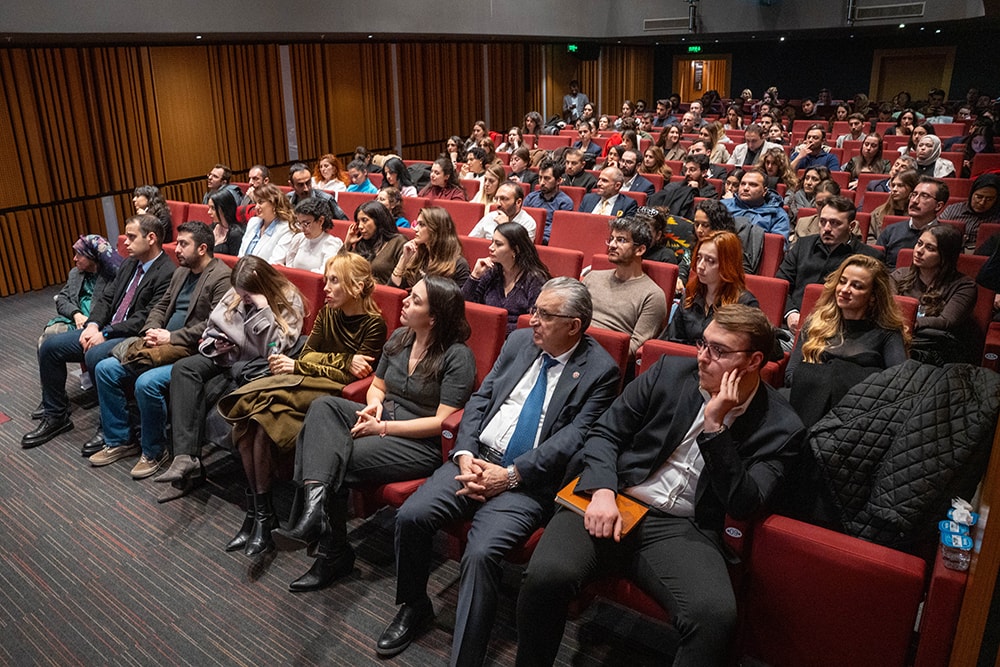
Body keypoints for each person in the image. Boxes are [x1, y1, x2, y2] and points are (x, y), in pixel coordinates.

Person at [515, 304, 805, 667]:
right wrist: (603, 490)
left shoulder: (781, 426)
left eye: (719, 351)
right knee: (545, 577)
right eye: (703, 344)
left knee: (713, 618)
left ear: (753, 360)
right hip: (616, 495)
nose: (702, 357)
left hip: (684, 526)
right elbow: (605, 433)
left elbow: (745, 502)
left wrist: (716, 429)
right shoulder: (669, 372)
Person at [378, 278, 620, 663]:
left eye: (545, 314)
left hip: (525, 482)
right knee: (411, 516)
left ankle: (467, 657)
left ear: (574, 325)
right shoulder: (520, 342)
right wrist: (465, 454)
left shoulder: (600, 371)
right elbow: (481, 400)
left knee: (481, 553)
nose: (532, 319)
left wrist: (509, 476)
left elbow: (574, 439)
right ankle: (414, 605)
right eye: (535, 310)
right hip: (476, 459)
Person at [272, 276, 476, 592]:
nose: (405, 301)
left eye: (416, 300)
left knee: (334, 455)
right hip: (385, 418)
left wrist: (382, 427)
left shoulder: (457, 356)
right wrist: (375, 406)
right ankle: (315, 513)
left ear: (434, 318)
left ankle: (331, 550)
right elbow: (378, 386)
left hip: (419, 442)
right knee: (324, 407)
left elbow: (442, 422)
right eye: (409, 295)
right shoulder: (399, 337)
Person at [218, 253, 388, 556]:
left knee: (256, 417)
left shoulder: (374, 324)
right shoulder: (327, 313)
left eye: (334, 281)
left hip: (333, 398)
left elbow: (353, 376)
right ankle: (261, 515)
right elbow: (308, 356)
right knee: (251, 425)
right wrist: (345, 360)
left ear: (356, 286)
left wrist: (321, 366)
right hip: (306, 385)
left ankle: (262, 517)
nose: (326, 287)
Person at [154, 255, 305, 502]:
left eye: (247, 296)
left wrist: (262, 309)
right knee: (184, 369)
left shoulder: (289, 299)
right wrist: (216, 344)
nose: (241, 299)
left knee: (202, 396)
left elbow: (275, 349)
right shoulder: (235, 294)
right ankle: (185, 457)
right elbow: (210, 330)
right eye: (241, 295)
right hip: (226, 357)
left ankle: (195, 465)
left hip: (254, 366)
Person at [87, 222, 231, 475]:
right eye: (177, 242)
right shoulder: (180, 272)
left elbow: (214, 326)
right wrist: (151, 330)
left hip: (193, 352)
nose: (176, 249)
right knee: (105, 369)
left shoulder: (221, 277)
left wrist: (172, 337)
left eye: (183, 244)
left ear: (203, 248)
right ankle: (120, 440)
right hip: (159, 344)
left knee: (147, 383)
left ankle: (155, 451)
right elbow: (160, 308)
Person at [23, 214, 175, 449]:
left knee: (94, 354)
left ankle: (112, 426)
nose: (124, 242)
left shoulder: (167, 272)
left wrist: (105, 334)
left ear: (152, 238)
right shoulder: (128, 264)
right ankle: (56, 415)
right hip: (105, 329)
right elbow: (106, 299)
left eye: (132, 237)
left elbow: (143, 319)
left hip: (132, 335)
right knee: (50, 347)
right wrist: (93, 324)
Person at [785, 254, 908, 427]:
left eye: (856, 286)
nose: (844, 289)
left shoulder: (887, 332)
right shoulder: (815, 323)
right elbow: (791, 375)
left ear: (873, 296)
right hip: (807, 405)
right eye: (842, 281)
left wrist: (826, 375)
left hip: (857, 417)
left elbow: (898, 385)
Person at [778, 196, 883, 339]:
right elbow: (781, 283)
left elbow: (875, 302)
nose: (827, 228)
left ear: (851, 226)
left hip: (839, 333)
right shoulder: (803, 245)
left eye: (835, 223)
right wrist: (790, 313)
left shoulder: (870, 257)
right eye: (823, 222)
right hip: (793, 326)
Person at [891, 225, 978, 365]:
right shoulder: (900, 275)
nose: (919, 251)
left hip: (936, 348)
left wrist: (911, 323)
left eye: (930, 248)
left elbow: (947, 321)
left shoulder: (964, 286)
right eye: (919, 244)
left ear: (945, 256)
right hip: (898, 339)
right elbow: (886, 308)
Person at [582, 216, 667, 355]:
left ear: (640, 250)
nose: (612, 245)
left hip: (605, 359)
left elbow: (634, 348)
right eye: (611, 239)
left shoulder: (653, 295)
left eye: (621, 240)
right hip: (571, 347)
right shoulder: (592, 277)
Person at [665, 230, 759, 345]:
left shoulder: (745, 303)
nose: (700, 266)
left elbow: (758, 349)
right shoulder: (690, 295)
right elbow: (672, 341)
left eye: (710, 261)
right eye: (699, 258)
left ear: (728, 264)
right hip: (683, 360)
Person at [463, 222, 551, 334]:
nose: (491, 248)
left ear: (515, 250)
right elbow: (465, 306)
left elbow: (535, 320)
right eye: (492, 242)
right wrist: (475, 276)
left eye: (498, 244)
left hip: (517, 339)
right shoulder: (492, 272)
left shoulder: (534, 279)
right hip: (485, 334)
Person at [39, 234, 122, 348]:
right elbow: (62, 299)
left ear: (92, 257)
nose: (74, 259)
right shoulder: (75, 274)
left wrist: (91, 323)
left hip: (99, 324)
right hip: (75, 321)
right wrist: (76, 314)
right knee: (48, 336)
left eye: (79, 254)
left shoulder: (112, 277)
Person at [390, 207, 471, 290]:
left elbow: (460, 301)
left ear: (436, 229)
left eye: (421, 225)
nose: (415, 229)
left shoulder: (459, 265)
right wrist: (403, 258)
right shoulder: (419, 255)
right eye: (416, 224)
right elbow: (393, 291)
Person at [877, 176, 949, 268]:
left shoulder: (946, 238)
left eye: (924, 196)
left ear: (938, 206)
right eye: (914, 194)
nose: (914, 201)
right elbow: (876, 267)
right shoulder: (891, 231)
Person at [344, 200, 407, 284]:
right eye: (358, 222)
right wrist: (347, 244)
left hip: (384, 294)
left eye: (365, 220)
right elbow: (339, 270)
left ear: (379, 221)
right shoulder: (362, 243)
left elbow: (403, 280)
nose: (360, 226)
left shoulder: (398, 242)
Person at [238, 183, 297, 265]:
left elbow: (276, 262)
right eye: (256, 202)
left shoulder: (286, 229)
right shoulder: (253, 222)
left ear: (273, 203)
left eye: (261, 202)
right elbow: (241, 254)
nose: (256, 207)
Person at [723, 167, 791, 238]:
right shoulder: (723, 206)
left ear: (764, 191)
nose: (745, 188)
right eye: (743, 184)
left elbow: (775, 245)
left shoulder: (778, 215)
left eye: (753, 185)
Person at [284, 197, 343, 273]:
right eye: (299, 223)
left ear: (321, 221)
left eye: (306, 223)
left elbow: (323, 274)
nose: (302, 229)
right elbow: (289, 267)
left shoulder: (331, 243)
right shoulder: (299, 239)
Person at [941, 173, 1000, 248]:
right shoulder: (952, 210)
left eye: (989, 199)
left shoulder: (997, 218)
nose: (982, 203)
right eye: (979, 197)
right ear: (971, 193)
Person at [524, 160, 574, 244]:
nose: (542, 182)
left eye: (547, 178)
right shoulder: (531, 197)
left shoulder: (565, 203)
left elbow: (554, 231)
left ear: (559, 181)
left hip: (546, 243)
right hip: (526, 239)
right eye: (540, 177)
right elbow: (521, 220)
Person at [469, 182, 537, 241]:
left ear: (518, 202)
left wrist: (506, 226)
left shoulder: (528, 223)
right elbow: (471, 241)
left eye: (504, 199)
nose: (498, 204)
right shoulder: (490, 217)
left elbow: (523, 252)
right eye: (496, 199)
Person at [870, 169, 919, 244]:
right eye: (893, 185)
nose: (894, 189)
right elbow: (869, 237)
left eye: (900, 186)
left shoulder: (918, 214)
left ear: (912, 189)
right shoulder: (879, 212)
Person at [207, 189, 245, 256]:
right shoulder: (212, 227)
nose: (209, 212)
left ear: (225, 208)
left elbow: (235, 261)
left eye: (213, 208)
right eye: (209, 208)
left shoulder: (235, 234)